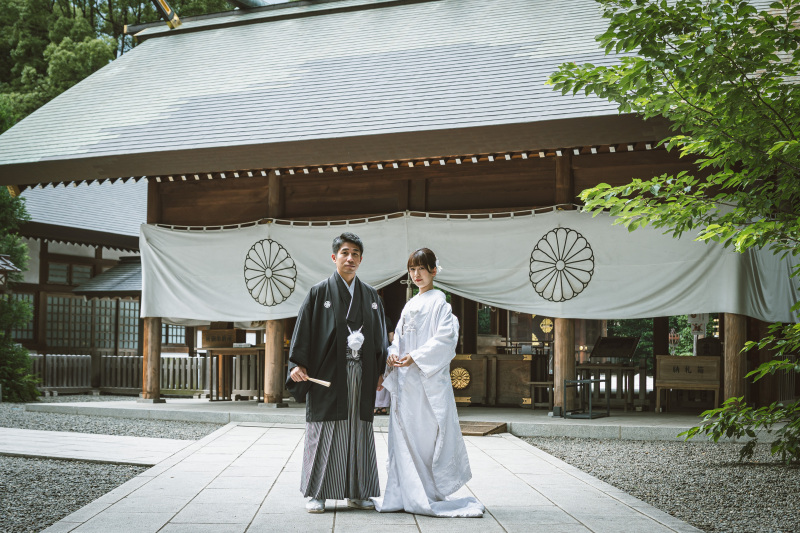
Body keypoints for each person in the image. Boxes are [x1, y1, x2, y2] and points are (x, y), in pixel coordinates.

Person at [373, 248, 484, 518]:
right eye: (412, 269)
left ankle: (426, 492)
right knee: (404, 436)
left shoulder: (440, 304)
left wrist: (417, 356)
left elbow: (446, 340)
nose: (417, 274)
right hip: (405, 382)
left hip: (427, 383)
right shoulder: (409, 305)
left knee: (425, 438)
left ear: (434, 270)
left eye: (422, 268)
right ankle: (402, 492)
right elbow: (397, 338)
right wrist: (394, 353)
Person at [286, 232, 389, 514]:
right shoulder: (319, 293)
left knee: (358, 430)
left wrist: (381, 370)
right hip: (329, 373)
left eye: (355, 254)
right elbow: (304, 330)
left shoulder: (369, 295)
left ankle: (359, 492)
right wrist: (296, 363)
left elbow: (380, 336)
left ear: (361, 259)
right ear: (334, 257)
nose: (350, 258)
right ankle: (317, 493)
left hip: (362, 372)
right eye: (345, 253)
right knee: (325, 431)